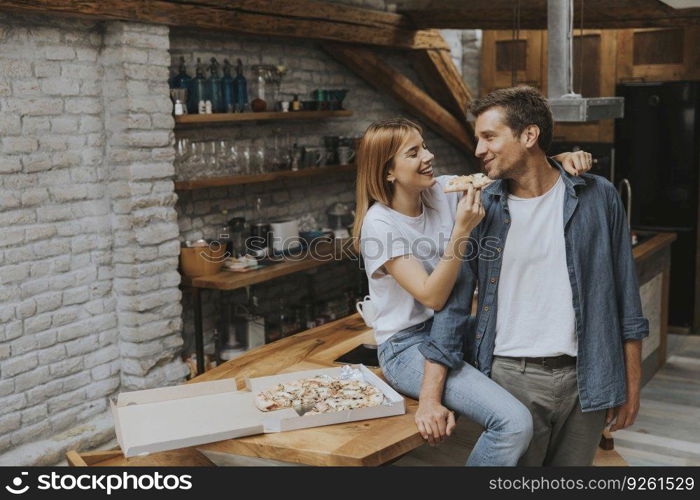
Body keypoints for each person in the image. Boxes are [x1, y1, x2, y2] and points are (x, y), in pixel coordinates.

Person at [353, 117, 592, 465]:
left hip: (456, 331)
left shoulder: (441, 192)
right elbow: (432, 296)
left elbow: (509, 169)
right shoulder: (380, 224)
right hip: (406, 347)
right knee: (513, 423)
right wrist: (462, 229)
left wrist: (559, 160)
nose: (429, 156)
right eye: (414, 152)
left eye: (425, 145)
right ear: (388, 172)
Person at [429, 86, 648, 466]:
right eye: (478, 139)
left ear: (529, 136)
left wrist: (630, 385)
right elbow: (453, 307)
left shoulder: (599, 196)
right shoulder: (478, 209)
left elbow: (626, 297)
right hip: (510, 378)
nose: (479, 150)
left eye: (489, 137)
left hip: (588, 375)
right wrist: (431, 398)